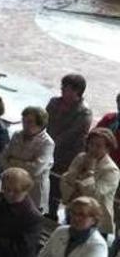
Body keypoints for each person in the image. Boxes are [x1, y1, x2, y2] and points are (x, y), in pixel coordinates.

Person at [49, 74, 95, 218]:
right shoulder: (54, 103)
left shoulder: (84, 113)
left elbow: (69, 135)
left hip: (68, 157)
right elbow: (44, 121)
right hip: (50, 149)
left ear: (77, 91)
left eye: (66, 88)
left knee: (63, 188)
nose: (62, 89)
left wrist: (48, 144)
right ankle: (49, 212)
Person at [61, 129, 120, 237]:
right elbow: (65, 179)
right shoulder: (81, 157)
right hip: (74, 211)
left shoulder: (111, 170)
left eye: (98, 146)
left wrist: (89, 172)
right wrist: (76, 185)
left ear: (107, 149)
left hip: (96, 220)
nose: (92, 149)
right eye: (91, 144)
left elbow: (96, 195)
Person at [0, 106, 56, 213]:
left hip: (33, 190)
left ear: (40, 124)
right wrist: (24, 163)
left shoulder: (47, 143)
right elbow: (2, 158)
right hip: (10, 185)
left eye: (30, 122)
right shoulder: (17, 135)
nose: (25, 125)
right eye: (24, 121)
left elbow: (35, 169)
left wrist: (12, 161)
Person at [0, 167, 45, 257]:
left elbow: (22, 250)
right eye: (6, 189)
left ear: (26, 190)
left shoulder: (32, 217)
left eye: (16, 191)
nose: (9, 194)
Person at [40, 197, 110, 257]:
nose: (76, 218)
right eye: (73, 213)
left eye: (82, 214)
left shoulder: (98, 246)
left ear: (94, 220)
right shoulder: (60, 231)